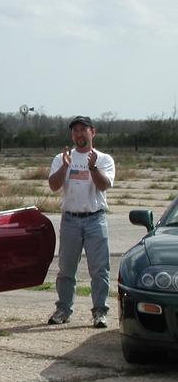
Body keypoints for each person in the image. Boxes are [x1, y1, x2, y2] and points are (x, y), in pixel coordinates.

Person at [47, 115, 115, 329]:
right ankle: (63, 310)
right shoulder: (62, 158)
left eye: (83, 130)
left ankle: (100, 312)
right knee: (66, 269)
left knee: (99, 269)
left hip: (95, 219)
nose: (78, 134)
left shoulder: (103, 159)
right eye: (75, 131)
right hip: (70, 220)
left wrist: (93, 168)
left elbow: (104, 186)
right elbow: (53, 186)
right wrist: (64, 167)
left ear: (92, 132)